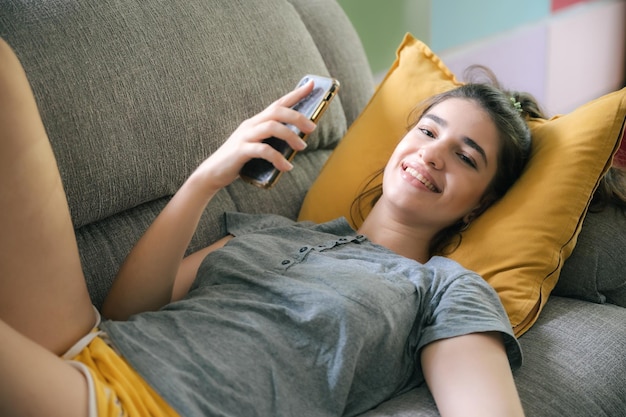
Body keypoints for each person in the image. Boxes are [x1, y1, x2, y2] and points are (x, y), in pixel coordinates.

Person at [0, 36, 542, 417]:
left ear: (479, 205)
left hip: (149, 404)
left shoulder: (443, 288)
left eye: (467, 157)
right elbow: (125, 311)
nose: (433, 154)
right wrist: (207, 178)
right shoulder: (278, 231)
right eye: (428, 131)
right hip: (91, 343)